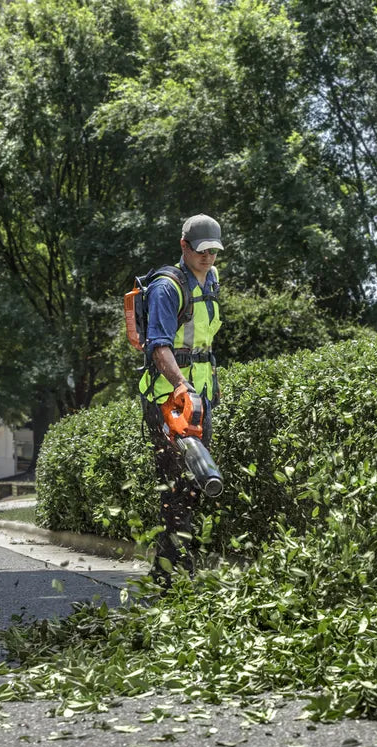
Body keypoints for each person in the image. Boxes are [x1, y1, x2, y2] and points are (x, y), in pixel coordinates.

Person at [138, 214, 223, 584]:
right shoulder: (166, 287)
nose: (208, 258)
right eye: (201, 251)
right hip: (167, 399)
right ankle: (172, 571)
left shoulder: (212, 281)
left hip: (201, 398)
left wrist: (203, 390)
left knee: (194, 482)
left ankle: (169, 564)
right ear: (184, 246)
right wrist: (181, 386)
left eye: (214, 252)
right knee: (178, 481)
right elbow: (159, 345)